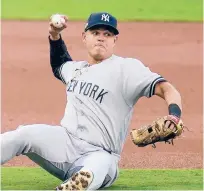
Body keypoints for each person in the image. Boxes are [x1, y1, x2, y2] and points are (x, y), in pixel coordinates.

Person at [1, 12, 183, 190]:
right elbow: (59, 64)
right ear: (84, 37)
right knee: (23, 134)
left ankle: (75, 185)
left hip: (101, 154)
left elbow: (167, 89)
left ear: (114, 41)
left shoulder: (127, 68)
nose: (101, 38)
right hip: (65, 143)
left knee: (92, 171)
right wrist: (54, 35)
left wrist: (174, 115)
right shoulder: (75, 69)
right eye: (95, 33)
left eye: (107, 34)